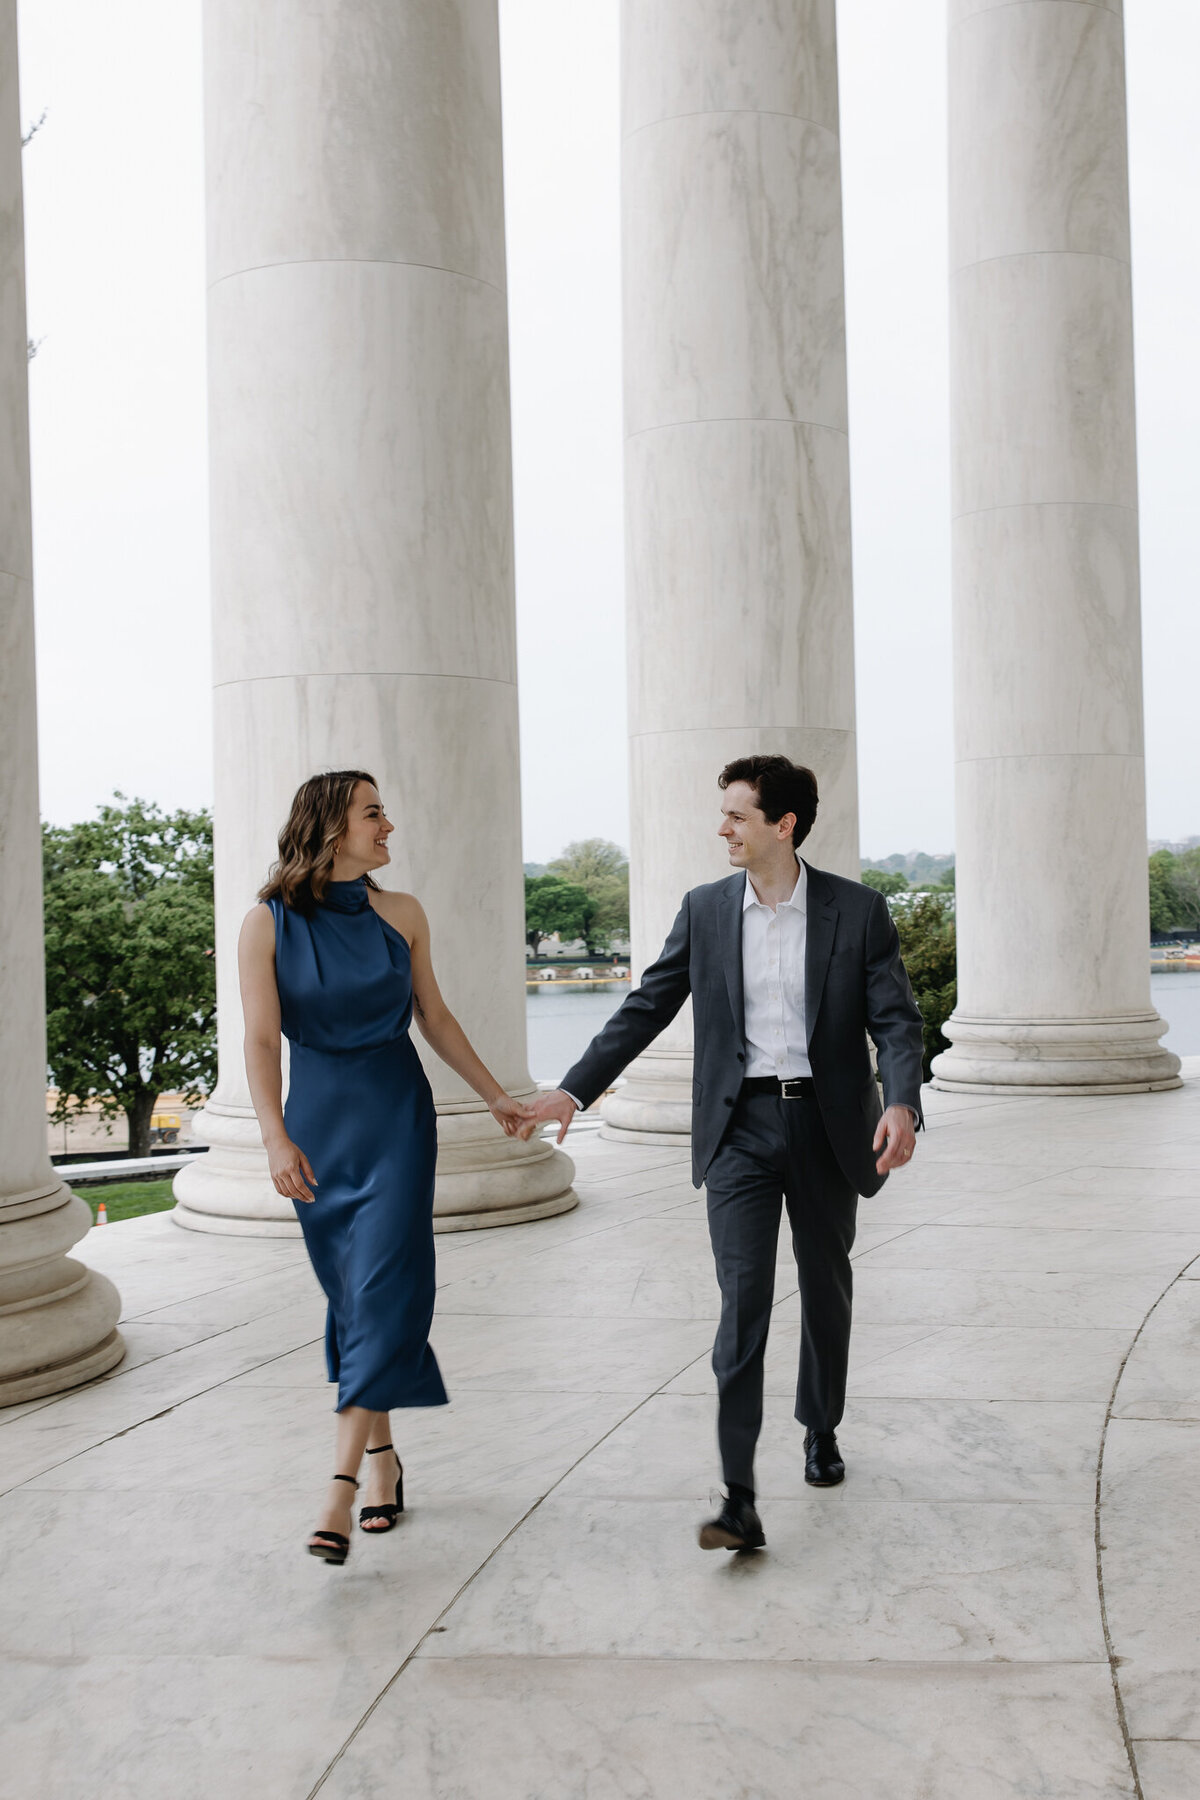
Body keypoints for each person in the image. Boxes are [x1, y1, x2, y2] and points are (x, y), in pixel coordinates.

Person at [527, 755, 925, 1552]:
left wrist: (905, 1101)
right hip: (739, 1127)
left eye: (737, 816)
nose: (723, 830)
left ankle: (820, 1425)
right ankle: (738, 1493)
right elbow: (646, 1006)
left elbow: (896, 1020)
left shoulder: (857, 911)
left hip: (825, 1126)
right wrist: (572, 1092)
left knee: (825, 1287)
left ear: (784, 825)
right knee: (742, 1302)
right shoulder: (706, 911)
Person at [239, 770, 534, 1564]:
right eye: (374, 814)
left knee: (383, 1290)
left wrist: (496, 1098)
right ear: (332, 828)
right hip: (317, 1131)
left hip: (398, 1122)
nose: (388, 826)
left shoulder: (401, 915)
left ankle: (336, 1493)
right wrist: (273, 1137)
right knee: (355, 1300)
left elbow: (433, 1015)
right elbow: (262, 1042)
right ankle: (384, 1461)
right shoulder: (265, 925)